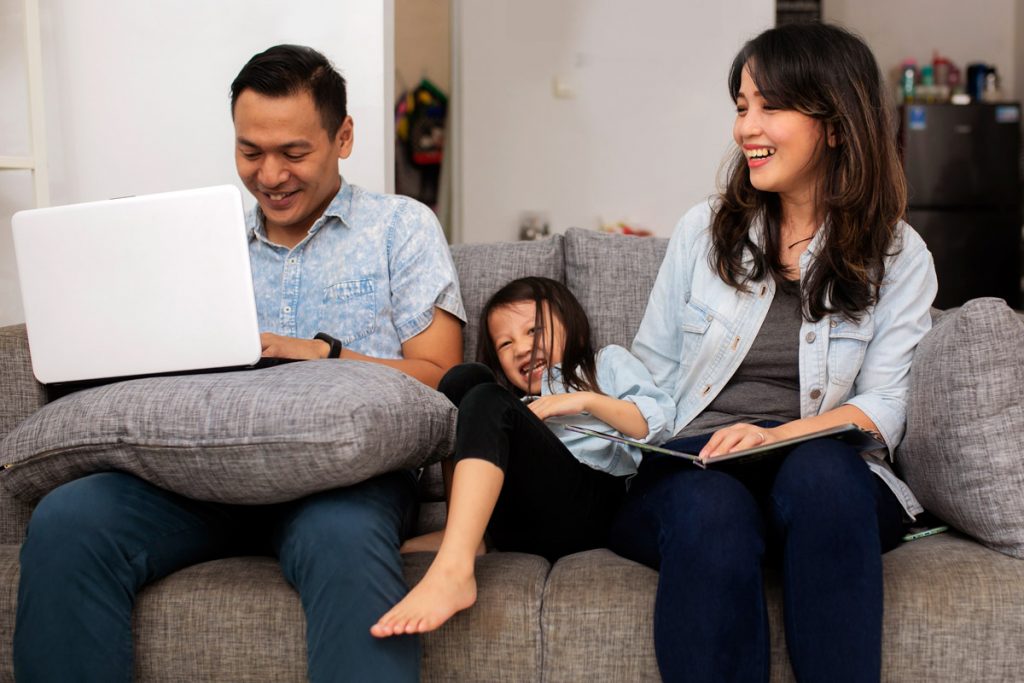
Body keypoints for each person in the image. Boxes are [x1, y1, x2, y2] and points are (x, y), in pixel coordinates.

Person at [14, 45, 465, 682]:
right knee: (69, 519)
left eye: (293, 153)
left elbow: (443, 379)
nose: (270, 174)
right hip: (197, 477)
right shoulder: (192, 241)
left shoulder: (401, 228)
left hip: (339, 482)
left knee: (343, 542)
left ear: (344, 137)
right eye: (250, 152)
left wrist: (321, 353)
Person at [607, 24, 938, 683]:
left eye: (769, 106)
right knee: (712, 506)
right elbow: (652, 372)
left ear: (837, 124)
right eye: (740, 106)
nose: (744, 127)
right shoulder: (704, 231)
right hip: (697, 472)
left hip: (817, 477)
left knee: (822, 474)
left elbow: (885, 406)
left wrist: (773, 436)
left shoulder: (898, 255)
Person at [369, 276, 675, 637]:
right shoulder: (508, 404)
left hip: (589, 507)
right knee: (464, 379)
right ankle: (466, 534)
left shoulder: (605, 363)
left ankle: (452, 571)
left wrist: (583, 399)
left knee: (488, 400)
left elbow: (655, 423)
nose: (521, 348)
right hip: (520, 521)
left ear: (571, 325)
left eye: (534, 330)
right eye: (505, 343)